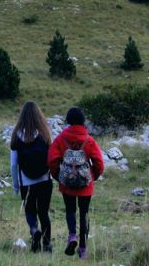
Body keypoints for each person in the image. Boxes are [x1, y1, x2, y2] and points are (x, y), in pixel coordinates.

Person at [47, 107, 104, 260]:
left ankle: (72, 235)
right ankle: (83, 248)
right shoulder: (89, 140)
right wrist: (93, 176)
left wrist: (58, 176)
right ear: (83, 121)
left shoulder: (60, 139)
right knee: (84, 213)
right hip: (86, 184)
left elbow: (52, 160)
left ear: (68, 121)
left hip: (67, 183)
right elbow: (99, 163)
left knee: (70, 210)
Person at [10, 101, 53, 253]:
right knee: (44, 212)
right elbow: (51, 158)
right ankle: (47, 246)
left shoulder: (16, 135)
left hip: (26, 182)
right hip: (45, 180)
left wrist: (15, 186)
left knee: (30, 210)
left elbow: (14, 165)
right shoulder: (45, 133)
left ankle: (34, 230)